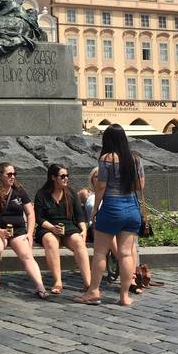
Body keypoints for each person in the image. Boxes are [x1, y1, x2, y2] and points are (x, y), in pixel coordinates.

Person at [76, 124, 145, 307]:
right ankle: (124, 296)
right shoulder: (135, 159)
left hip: (112, 208)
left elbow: (100, 186)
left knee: (100, 252)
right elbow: (140, 186)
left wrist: (95, 209)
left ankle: (93, 291)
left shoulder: (107, 158)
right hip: (132, 209)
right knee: (126, 254)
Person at [0, 162, 48, 298]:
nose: (13, 177)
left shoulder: (19, 191)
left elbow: (30, 213)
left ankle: (40, 286)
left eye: (14, 174)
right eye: (9, 174)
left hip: (18, 231)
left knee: (27, 255)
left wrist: (30, 234)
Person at [33, 164, 90, 294]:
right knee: (50, 241)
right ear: (53, 177)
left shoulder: (70, 193)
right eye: (62, 176)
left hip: (68, 227)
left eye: (67, 176)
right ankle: (58, 282)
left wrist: (83, 230)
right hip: (48, 227)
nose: (66, 178)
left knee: (78, 241)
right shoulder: (42, 194)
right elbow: (39, 218)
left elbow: (79, 216)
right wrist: (52, 228)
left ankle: (88, 283)